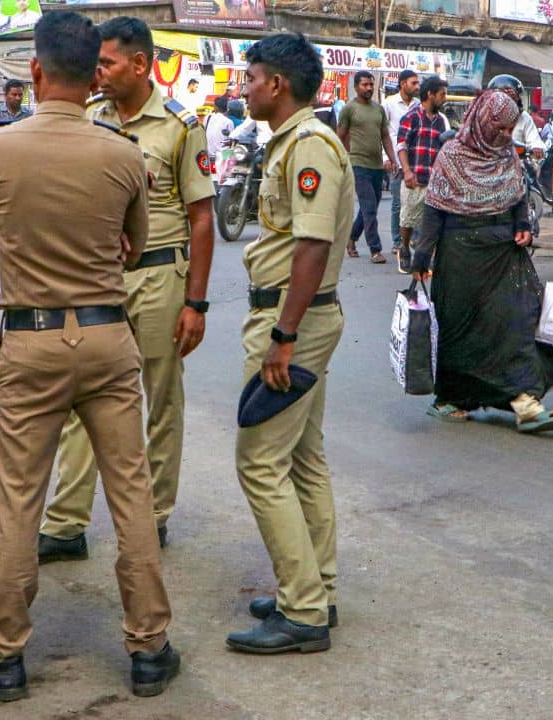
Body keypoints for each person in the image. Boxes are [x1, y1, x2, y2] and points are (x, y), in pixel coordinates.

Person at [0, 11, 178, 702]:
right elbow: (134, 247)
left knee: (21, 501)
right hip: (110, 337)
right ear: (94, 75)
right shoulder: (124, 152)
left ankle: (0, 655)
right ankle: (148, 650)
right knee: (131, 495)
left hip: (31, 339)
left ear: (38, 71)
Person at [40, 16, 216, 558]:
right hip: (99, 280)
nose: (98, 74)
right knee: (82, 397)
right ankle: (67, 522)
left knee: (161, 399)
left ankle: (153, 514)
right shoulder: (90, 118)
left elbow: (202, 218)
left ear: (140, 64)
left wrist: (196, 303)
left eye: (107, 64)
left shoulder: (182, 127)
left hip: (162, 276)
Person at [226, 32, 351, 655]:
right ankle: (317, 590)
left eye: (250, 78)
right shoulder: (293, 142)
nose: (243, 88)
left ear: (276, 83)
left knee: (259, 462)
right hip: (299, 319)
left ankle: (302, 610)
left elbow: (312, 246)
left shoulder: (308, 146)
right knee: (301, 457)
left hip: (291, 320)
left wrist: (283, 337)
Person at [411, 91, 553, 433]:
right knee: (460, 330)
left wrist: (523, 227)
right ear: (482, 122)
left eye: (510, 129)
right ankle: (449, 398)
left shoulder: (506, 157)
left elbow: (517, 198)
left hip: (501, 253)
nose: (506, 136)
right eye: (500, 128)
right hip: (460, 254)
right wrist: (421, 255)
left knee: (515, 320)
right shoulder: (451, 156)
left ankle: (524, 401)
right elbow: (434, 210)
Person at [337, 70, 395, 263]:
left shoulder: (378, 109)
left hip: (377, 166)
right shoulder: (349, 109)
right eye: (365, 85)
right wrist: (346, 158)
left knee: (370, 207)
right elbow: (340, 137)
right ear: (356, 87)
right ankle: (375, 250)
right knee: (369, 207)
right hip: (358, 164)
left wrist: (392, 158)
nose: (369, 88)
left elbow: (385, 135)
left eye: (371, 84)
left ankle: (352, 238)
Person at [396, 75, 449, 274]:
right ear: (430, 95)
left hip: (434, 180)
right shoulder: (411, 117)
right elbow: (401, 145)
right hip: (414, 178)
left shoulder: (441, 121)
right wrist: (407, 171)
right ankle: (404, 248)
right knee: (408, 219)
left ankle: (428, 256)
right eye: (442, 94)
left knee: (433, 220)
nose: (445, 98)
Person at [383, 69, 420, 256]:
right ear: (403, 83)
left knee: (415, 203)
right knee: (398, 203)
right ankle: (397, 242)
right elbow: (382, 133)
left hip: (414, 162)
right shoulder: (389, 103)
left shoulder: (418, 105)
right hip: (396, 160)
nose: (417, 86)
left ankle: (413, 239)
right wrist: (386, 158)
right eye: (413, 83)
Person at [487, 75, 544, 159]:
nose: (508, 103)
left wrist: (537, 147)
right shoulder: (483, 116)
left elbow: (534, 139)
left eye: (512, 98)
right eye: (503, 99)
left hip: (515, 163)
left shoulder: (524, 117)